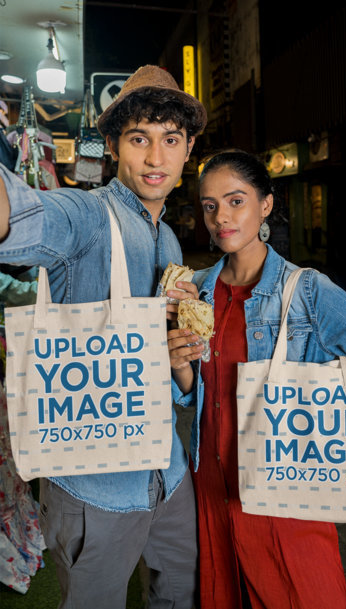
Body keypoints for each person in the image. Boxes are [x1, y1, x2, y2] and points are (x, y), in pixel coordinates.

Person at [0, 65, 207, 609]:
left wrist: (181, 356)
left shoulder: (172, 247)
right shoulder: (88, 216)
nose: (156, 157)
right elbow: (23, 215)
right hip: (95, 487)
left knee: (179, 597)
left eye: (171, 140)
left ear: (188, 151)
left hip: (168, 472)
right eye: (139, 139)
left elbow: (181, 384)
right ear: (115, 145)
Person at [167, 150, 346, 609]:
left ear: (266, 205)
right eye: (210, 205)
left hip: (285, 488)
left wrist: (341, 417)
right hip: (214, 488)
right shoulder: (195, 290)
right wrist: (180, 368)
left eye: (236, 201)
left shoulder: (307, 291)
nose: (221, 217)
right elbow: (201, 396)